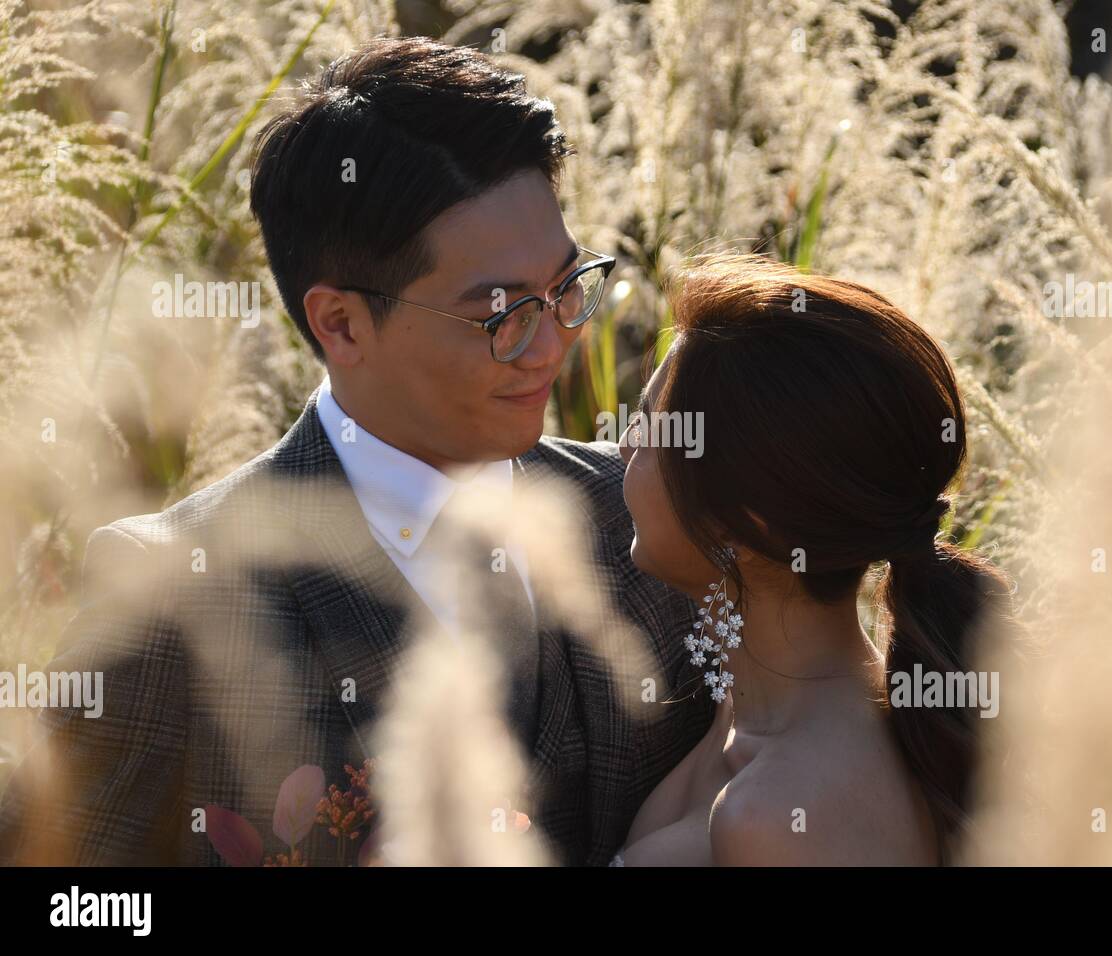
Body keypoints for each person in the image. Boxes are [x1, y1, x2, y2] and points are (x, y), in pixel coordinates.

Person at [0, 37, 712, 867]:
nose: (551, 343)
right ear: (340, 323)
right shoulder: (171, 598)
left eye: (565, 289)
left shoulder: (649, 518)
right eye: (501, 313)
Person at [611, 255, 1018, 865]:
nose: (622, 446)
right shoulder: (748, 707)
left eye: (652, 431)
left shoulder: (783, 817)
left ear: (747, 521)